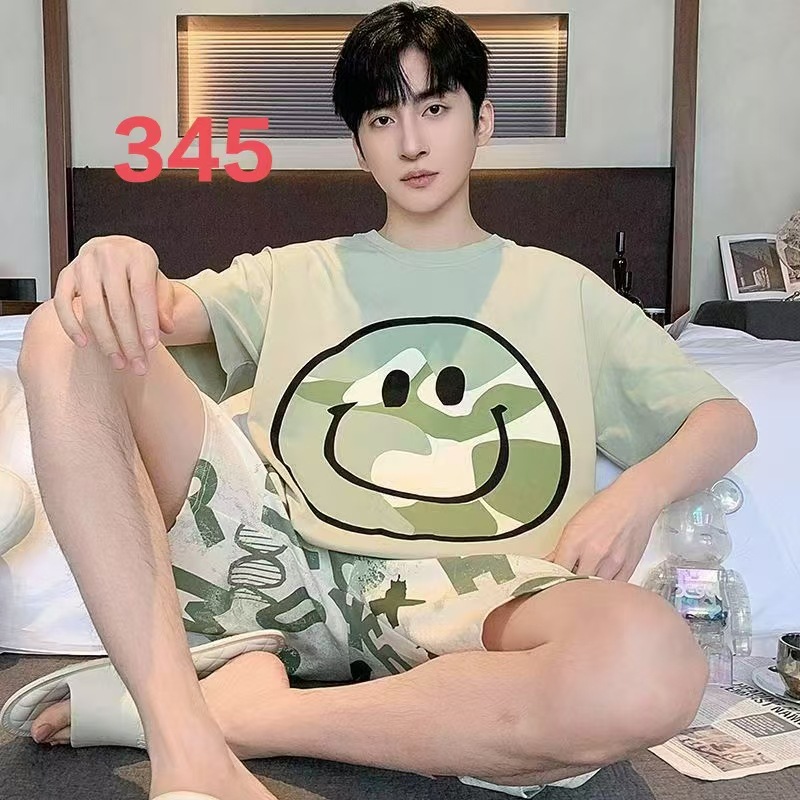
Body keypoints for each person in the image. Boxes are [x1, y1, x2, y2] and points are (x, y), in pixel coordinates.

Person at [11, 3, 756, 800]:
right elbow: (148, 311)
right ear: (359, 146)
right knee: (67, 328)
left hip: (473, 594)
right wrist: (114, 254)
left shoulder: (564, 291)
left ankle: (244, 717)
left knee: (654, 668)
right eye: (382, 117)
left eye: (435, 108)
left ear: (482, 121)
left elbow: (725, 422)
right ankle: (185, 743)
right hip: (275, 566)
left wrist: (634, 496)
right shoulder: (293, 273)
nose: (411, 142)